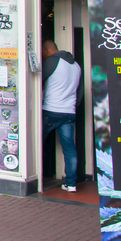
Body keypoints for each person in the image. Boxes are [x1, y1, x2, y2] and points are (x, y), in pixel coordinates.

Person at [42, 40, 82, 192]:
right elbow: (80, 91)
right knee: (69, 148)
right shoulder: (76, 65)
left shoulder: (52, 61)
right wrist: (72, 107)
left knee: (37, 143)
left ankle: (38, 176)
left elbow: (37, 81)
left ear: (46, 51)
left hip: (51, 110)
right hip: (69, 111)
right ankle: (71, 184)